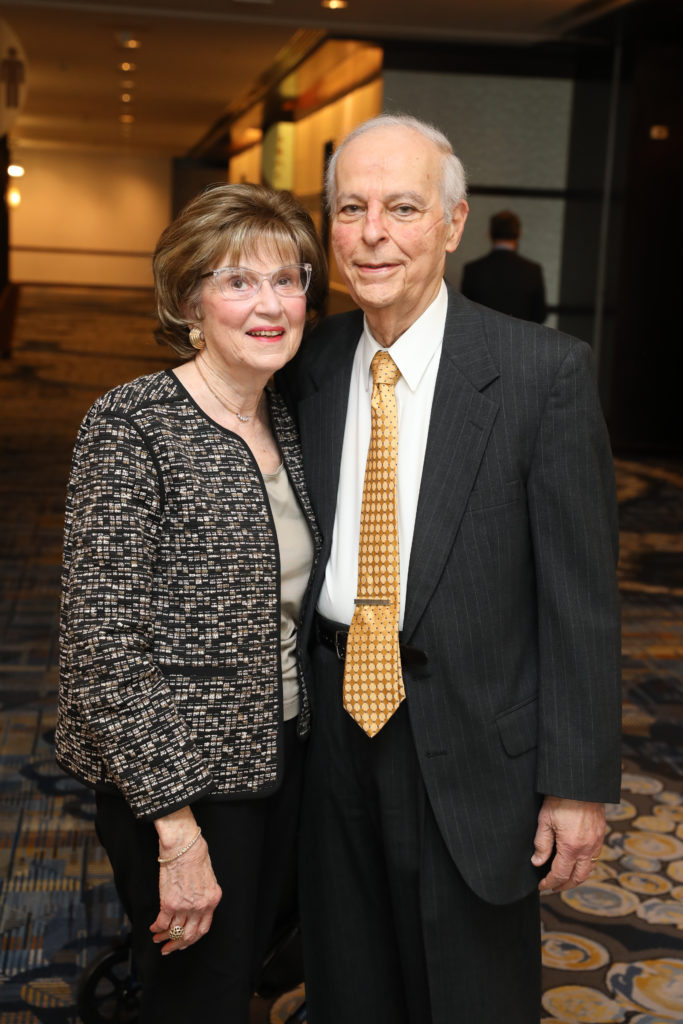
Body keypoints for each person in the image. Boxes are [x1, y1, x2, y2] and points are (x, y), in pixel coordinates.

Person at [278, 114, 621, 1024]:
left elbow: (580, 600)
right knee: (347, 982)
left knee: (470, 993)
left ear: (453, 221)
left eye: (400, 207)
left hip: (476, 745)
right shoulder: (305, 366)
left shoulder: (539, 373)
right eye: (349, 209)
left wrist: (577, 783)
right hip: (332, 728)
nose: (372, 234)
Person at [56, 182, 326, 1024]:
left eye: (288, 279)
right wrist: (177, 831)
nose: (271, 305)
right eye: (238, 281)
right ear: (187, 301)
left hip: (282, 755)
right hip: (177, 782)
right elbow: (101, 647)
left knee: (241, 974)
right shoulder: (133, 425)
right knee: (195, 998)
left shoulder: (287, 417)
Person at [461, 208, 547, 322]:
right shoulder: (532, 270)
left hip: (482, 337)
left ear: (489, 234)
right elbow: (540, 315)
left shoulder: (473, 270)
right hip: (520, 336)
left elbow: (464, 311)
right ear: (519, 234)